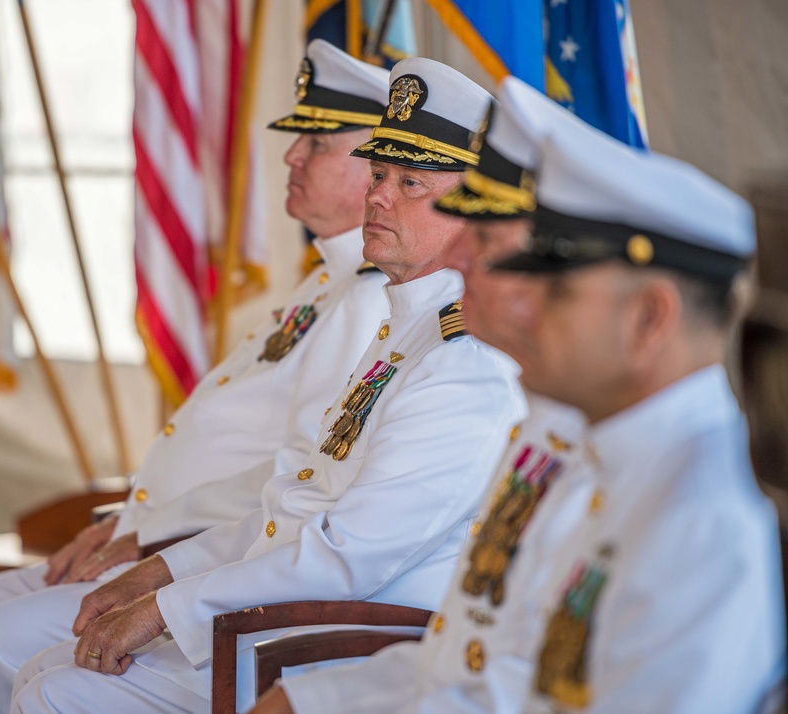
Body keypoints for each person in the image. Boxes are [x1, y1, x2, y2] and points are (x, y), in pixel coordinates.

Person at [10, 57, 526, 714]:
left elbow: (346, 558)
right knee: (45, 674)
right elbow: (293, 504)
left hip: (341, 640)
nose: (378, 196)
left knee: (58, 690)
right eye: (378, 173)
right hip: (281, 617)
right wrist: (157, 578)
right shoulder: (406, 332)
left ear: (474, 210)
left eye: (412, 183)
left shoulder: (464, 362)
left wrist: (164, 610)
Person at [256, 81, 786, 713]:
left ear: (649, 319)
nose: (521, 306)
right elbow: (461, 664)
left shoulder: (703, 519)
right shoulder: (569, 438)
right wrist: (306, 701)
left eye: (551, 286)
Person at [0, 39, 395, 714]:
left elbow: (297, 485)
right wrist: (129, 519)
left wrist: (149, 543)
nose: (291, 155)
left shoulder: (374, 300)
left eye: (317, 143)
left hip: (218, 563)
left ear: (379, 165)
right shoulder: (325, 284)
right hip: (163, 536)